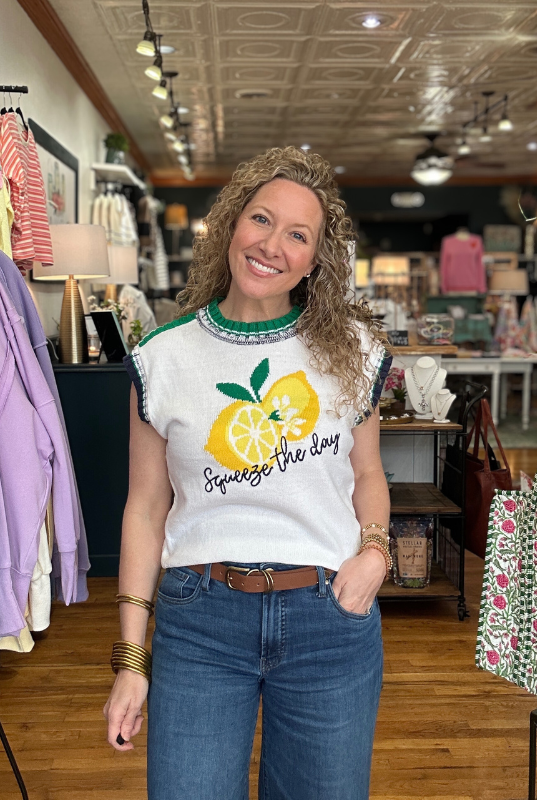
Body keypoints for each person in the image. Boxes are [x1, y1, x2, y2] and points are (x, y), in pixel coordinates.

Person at [104, 146, 392, 800]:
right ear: (232, 223)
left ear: (317, 258)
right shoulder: (162, 359)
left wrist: (375, 552)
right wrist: (130, 661)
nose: (272, 245)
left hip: (329, 620)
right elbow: (144, 510)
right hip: (199, 623)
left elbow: (369, 474)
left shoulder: (354, 352)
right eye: (261, 219)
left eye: (298, 234)